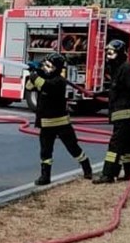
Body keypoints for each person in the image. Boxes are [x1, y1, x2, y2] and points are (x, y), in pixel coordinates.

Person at [26, 54, 93, 186]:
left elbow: (46, 86)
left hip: (61, 123)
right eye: (45, 64)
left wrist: (35, 75)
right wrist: (36, 73)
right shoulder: (43, 77)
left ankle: (87, 168)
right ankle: (45, 176)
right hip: (46, 123)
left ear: (56, 68)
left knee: (73, 148)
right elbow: (29, 87)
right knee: (45, 151)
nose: (46, 67)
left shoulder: (59, 81)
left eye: (49, 66)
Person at [93, 40, 130, 184]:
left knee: (115, 145)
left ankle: (108, 174)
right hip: (122, 112)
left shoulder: (126, 68)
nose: (108, 56)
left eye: (111, 53)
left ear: (119, 53)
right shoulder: (119, 69)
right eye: (107, 53)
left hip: (123, 113)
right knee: (129, 144)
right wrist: (100, 93)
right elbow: (117, 90)